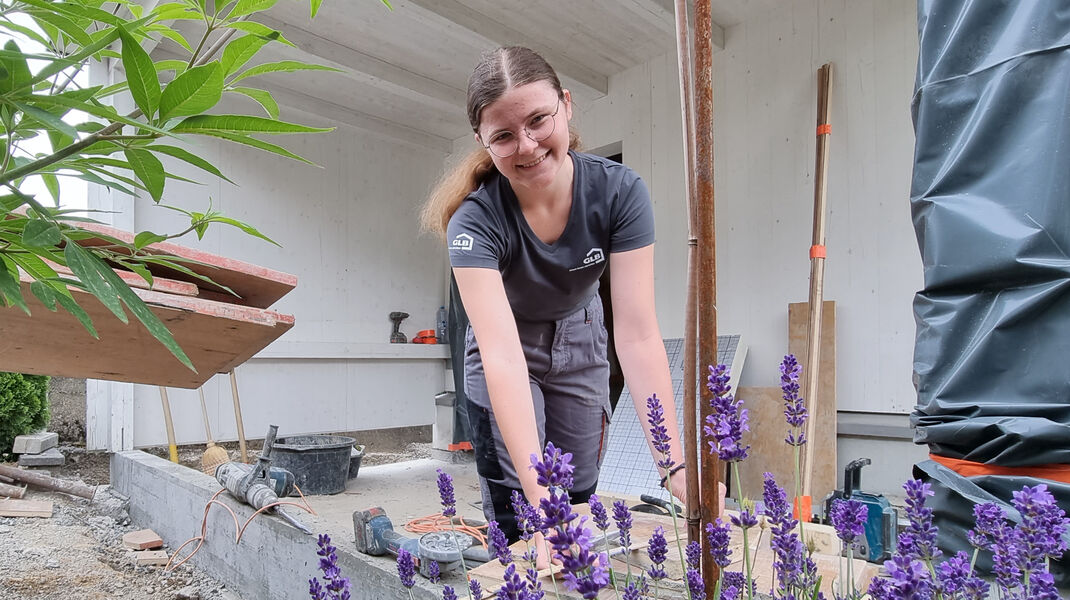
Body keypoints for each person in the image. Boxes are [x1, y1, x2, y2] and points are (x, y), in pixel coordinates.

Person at [421, 47, 705, 551]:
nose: (526, 146)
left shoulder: (620, 193)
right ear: (483, 142)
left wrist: (675, 466)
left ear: (566, 105)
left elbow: (637, 335)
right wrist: (541, 503)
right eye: (503, 136)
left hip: (582, 336)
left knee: (577, 492)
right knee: (523, 507)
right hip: (508, 345)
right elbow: (502, 355)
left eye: (538, 120)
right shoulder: (475, 221)